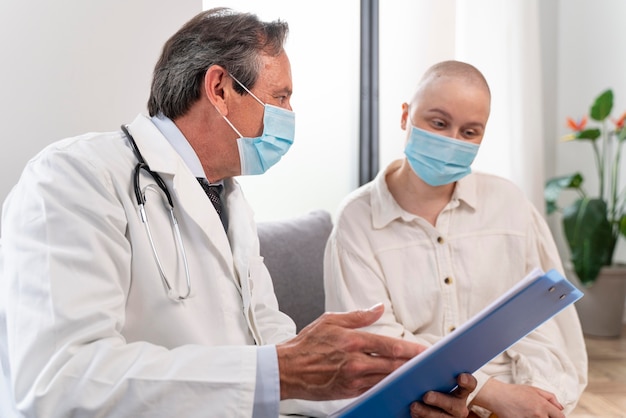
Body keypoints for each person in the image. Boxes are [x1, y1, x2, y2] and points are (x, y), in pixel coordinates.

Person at [0, 9, 478, 418]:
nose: (291, 114)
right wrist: (279, 370)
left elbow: (269, 343)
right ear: (220, 88)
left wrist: (393, 397)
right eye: (281, 97)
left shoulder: (227, 198)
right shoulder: (73, 178)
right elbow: (58, 383)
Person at [324, 60, 588, 418]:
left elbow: (550, 328)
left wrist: (535, 400)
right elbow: (375, 346)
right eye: (438, 123)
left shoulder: (509, 204)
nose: (452, 141)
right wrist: (486, 392)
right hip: (410, 405)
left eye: (469, 132)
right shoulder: (357, 220)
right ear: (405, 116)